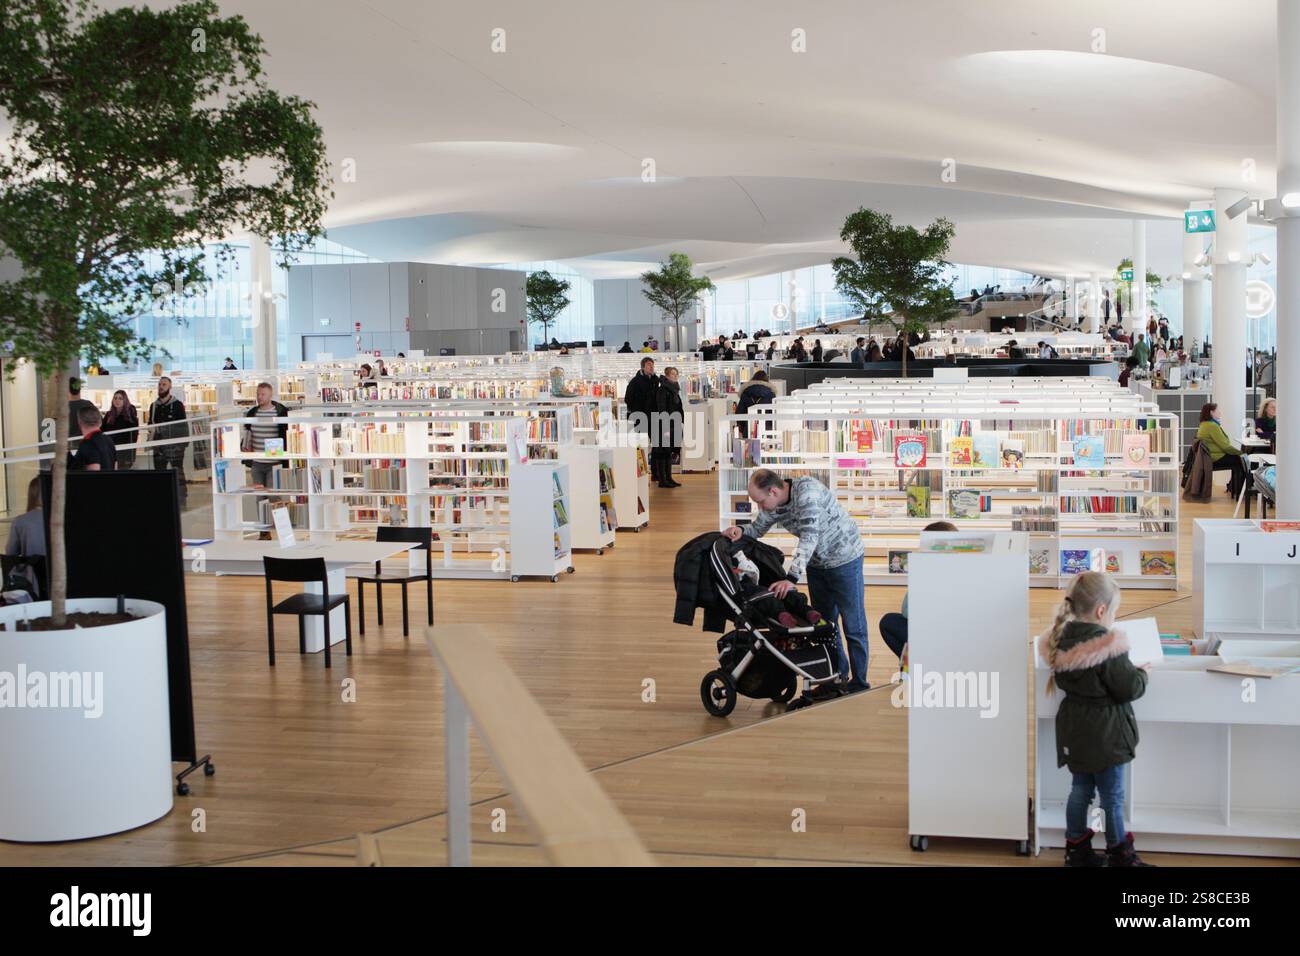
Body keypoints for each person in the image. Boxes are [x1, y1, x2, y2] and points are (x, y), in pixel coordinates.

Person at [722, 468, 869, 698]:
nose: (759, 507)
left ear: (772, 491)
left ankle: (860, 683)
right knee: (824, 624)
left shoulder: (807, 494)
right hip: (817, 564)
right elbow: (757, 528)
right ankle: (837, 677)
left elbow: (810, 538)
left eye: (759, 501)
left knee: (854, 624)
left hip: (845, 559)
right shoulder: (775, 503)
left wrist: (790, 579)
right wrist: (739, 530)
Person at [1042, 571, 1152, 867]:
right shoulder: (1108, 644)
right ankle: (1120, 855)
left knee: (1080, 790)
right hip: (1107, 735)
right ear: (1102, 610)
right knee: (1112, 796)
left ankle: (1076, 851)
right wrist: (1143, 673)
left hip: (1074, 730)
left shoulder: (1058, 639)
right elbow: (1128, 687)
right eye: (1113, 612)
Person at [877, 521, 958, 659]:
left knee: (887, 622)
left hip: (936, 636)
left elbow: (906, 612)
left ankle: (914, 664)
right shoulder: (961, 567)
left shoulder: (928, 572)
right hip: (955, 636)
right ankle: (916, 663)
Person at [242, 382, 290, 491]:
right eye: (258, 394)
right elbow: (247, 433)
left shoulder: (281, 412)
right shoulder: (252, 413)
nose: (259, 397)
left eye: (263, 394)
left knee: (273, 496)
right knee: (259, 497)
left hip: (274, 462)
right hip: (257, 463)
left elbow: (285, 435)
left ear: (270, 395)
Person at [147, 376, 188, 501]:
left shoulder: (177, 405)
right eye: (159, 384)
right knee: (159, 473)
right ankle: (162, 498)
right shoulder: (154, 406)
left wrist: (182, 445)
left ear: (170, 387)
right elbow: (150, 422)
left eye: (164, 384)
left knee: (178, 472)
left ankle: (181, 499)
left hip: (175, 446)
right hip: (159, 447)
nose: (161, 386)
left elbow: (183, 425)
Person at [1197, 402, 1247, 497]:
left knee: (1238, 459)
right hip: (1214, 457)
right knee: (1241, 460)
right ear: (1211, 412)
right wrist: (1241, 453)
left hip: (1209, 456)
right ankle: (1240, 490)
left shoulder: (1205, 424)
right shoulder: (1212, 426)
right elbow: (1225, 446)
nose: (1220, 413)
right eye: (1218, 411)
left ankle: (1235, 488)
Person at [651, 366, 684, 488]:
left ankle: (669, 478)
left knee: (668, 452)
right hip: (664, 425)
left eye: (676, 374)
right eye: (673, 374)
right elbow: (662, 409)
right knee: (662, 452)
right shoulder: (663, 390)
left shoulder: (674, 389)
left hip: (673, 424)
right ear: (667, 375)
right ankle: (662, 480)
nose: (675, 376)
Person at [69, 405, 116, 471]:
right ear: (100, 422)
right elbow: (115, 466)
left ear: (80, 422)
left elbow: (93, 472)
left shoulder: (88, 443)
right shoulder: (108, 440)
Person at [101, 389, 139, 469]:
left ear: (125, 400)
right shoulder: (109, 415)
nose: (117, 400)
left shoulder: (130, 415)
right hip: (110, 450)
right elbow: (102, 430)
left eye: (120, 398)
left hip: (125, 451)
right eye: (115, 398)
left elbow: (133, 436)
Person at [733, 370, 775, 439]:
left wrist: (743, 428)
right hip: (766, 430)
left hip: (749, 429)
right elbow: (773, 414)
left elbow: (739, 412)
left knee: (749, 448)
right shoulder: (770, 394)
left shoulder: (745, 393)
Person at [623, 357, 659, 436]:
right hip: (639, 416)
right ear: (643, 367)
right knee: (640, 442)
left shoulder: (656, 380)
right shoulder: (635, 381)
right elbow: (628, 398)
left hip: (653, 416)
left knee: (654, 440)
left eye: (653, 365)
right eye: (649, 364)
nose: (651, 367)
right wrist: (636, 409)